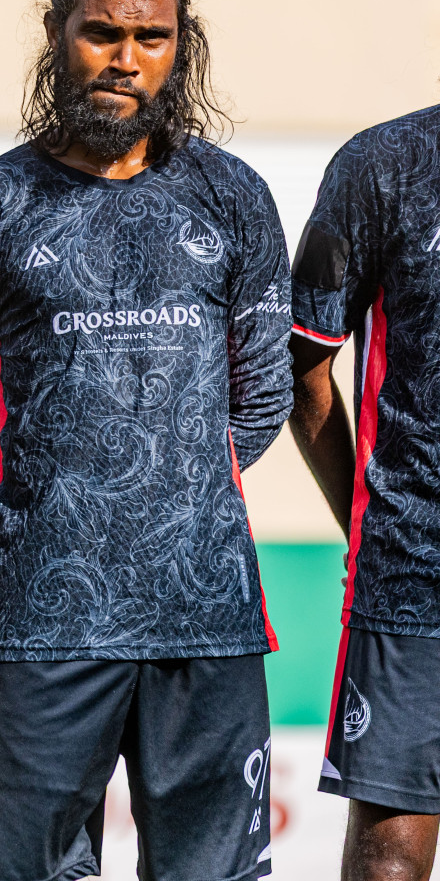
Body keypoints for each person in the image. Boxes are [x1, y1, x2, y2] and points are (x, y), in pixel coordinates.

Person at [0, 0, 291, 881]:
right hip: (40, 617)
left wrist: (173, 502)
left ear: (182, 44)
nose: (125, 60)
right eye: (102, 34)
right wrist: (49, 514)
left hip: (204, 615)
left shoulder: (235, 198)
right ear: (57, 32)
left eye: (151, 38)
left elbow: (260, 395)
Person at [287, 103, 440, 880]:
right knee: (391, 856)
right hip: (415, 575)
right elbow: (300, 366)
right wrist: (370, 520)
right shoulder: (383, 166)